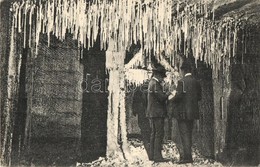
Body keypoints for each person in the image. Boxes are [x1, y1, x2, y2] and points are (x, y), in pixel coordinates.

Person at [170, 61, 202, 164]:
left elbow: (179, 97)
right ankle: (188, 156)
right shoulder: (196, 82)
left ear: (183, 70)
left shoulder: (181, 82)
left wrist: (172, 98)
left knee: (184, 135)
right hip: (192, 113)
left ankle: (187, 158)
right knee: (189, 133)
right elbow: (199, 97)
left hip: (182, 113)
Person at [146, 65, 172, 162]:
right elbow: (161, 98)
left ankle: (152, 155)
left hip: (153, 113)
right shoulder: (155, 84)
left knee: (154, 134)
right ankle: (158, 157)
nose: (162, 78)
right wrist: (169, 93)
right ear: (158, 75)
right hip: (157, 113)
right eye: (162, 76)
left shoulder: (151, 83)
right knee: (159, 134)